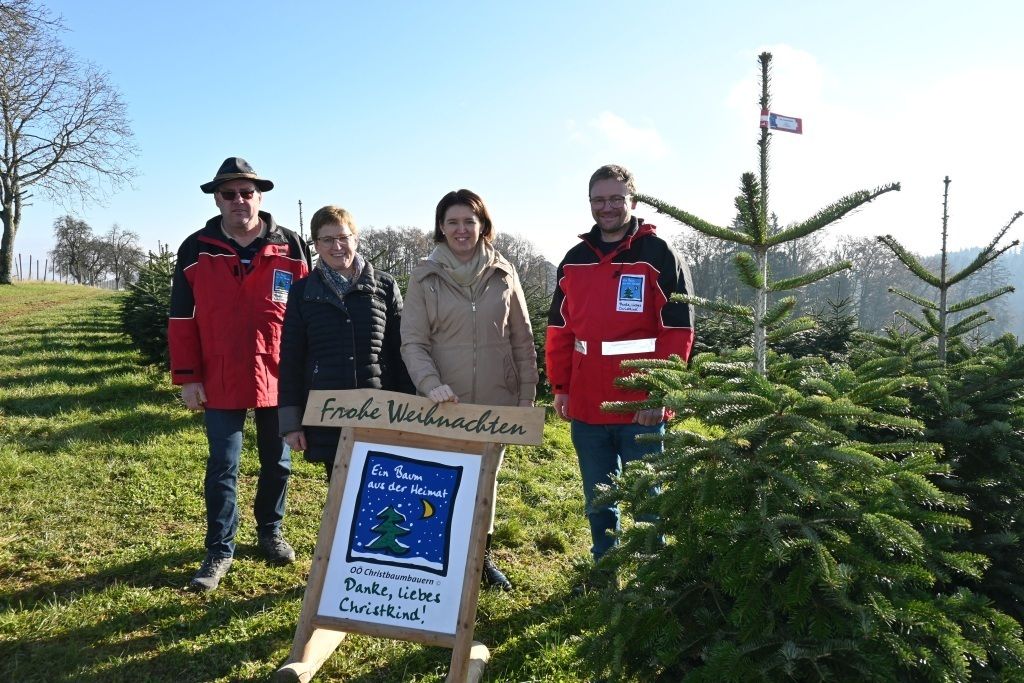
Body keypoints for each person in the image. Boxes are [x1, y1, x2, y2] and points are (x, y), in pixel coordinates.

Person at [546, 164, 694, 589]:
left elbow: (677, 331)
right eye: (598, 199)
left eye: (615, 198)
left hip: (639, 405)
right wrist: (560, 387)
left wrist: (658, 394)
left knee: (647, 496)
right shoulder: (573, 261)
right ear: (590, 203)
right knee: (600, 497)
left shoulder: (660, 254)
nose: (606, 207)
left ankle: (653, 577)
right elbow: (560, 331)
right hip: (588, 402)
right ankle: (604, 571)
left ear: (633, 200)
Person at [169, 157, 312, 592]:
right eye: (228, 194)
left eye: (246, 192)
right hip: (220, 373)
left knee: (279, 463)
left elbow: (307, 315)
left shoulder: (291, 245)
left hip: (279, 372)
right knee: (222, 466)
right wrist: (189, 377)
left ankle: (270, 531)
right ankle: (219, 549)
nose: (238, 201)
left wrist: (309, 375)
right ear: (217, 198)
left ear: (260, 196)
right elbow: (181, 317)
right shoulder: (197, 247)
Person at [401, 189, 539, 592]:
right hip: (446, 402)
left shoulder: (505, 273)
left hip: (497, 401)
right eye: (453, 222)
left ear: (483, 226)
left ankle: (481, 557)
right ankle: (436, 556)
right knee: (442, 480)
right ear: (441, 228)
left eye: (469, 221)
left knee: (485, 482)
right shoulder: (424, 276)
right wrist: (431, 385)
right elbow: (413, 342)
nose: (462, 230)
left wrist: (526, 395)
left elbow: (523, 338)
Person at [278, 205, 414, 477]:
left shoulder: (384, 287)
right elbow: (291, 357)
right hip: (329, 412)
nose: (337, 246)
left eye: (343, 237)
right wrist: (291, 422)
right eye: (327, 240)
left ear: (356, 238)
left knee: (382, 486)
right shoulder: (303, 292)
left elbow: (402, 351)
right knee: (339, 491)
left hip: (380, 408)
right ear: (316, 244)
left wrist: (410, 409)